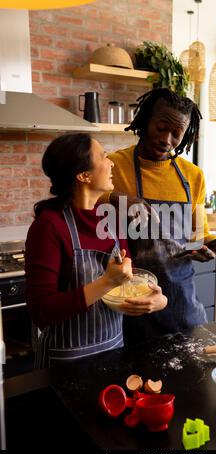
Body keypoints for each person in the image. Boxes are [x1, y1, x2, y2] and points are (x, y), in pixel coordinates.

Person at [25, 133, 167, 368]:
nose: (111, 162)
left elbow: (126, 282)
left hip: (113, 352)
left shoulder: (110, 220)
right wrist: (107, 283)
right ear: (83, 175)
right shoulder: (48, 227)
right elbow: (41, 312)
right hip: (65, 364)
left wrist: (156, 299)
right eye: (103, 156)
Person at [103, 88, 216, 344]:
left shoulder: (193, 175)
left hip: (182, 302)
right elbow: (85, 200)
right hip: (132, 302)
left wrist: (204, 246)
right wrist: (117, 198)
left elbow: (197, 235)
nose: (167, 139)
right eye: (161, 127)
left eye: (176, 133)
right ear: (145, 121)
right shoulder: (115, 165)